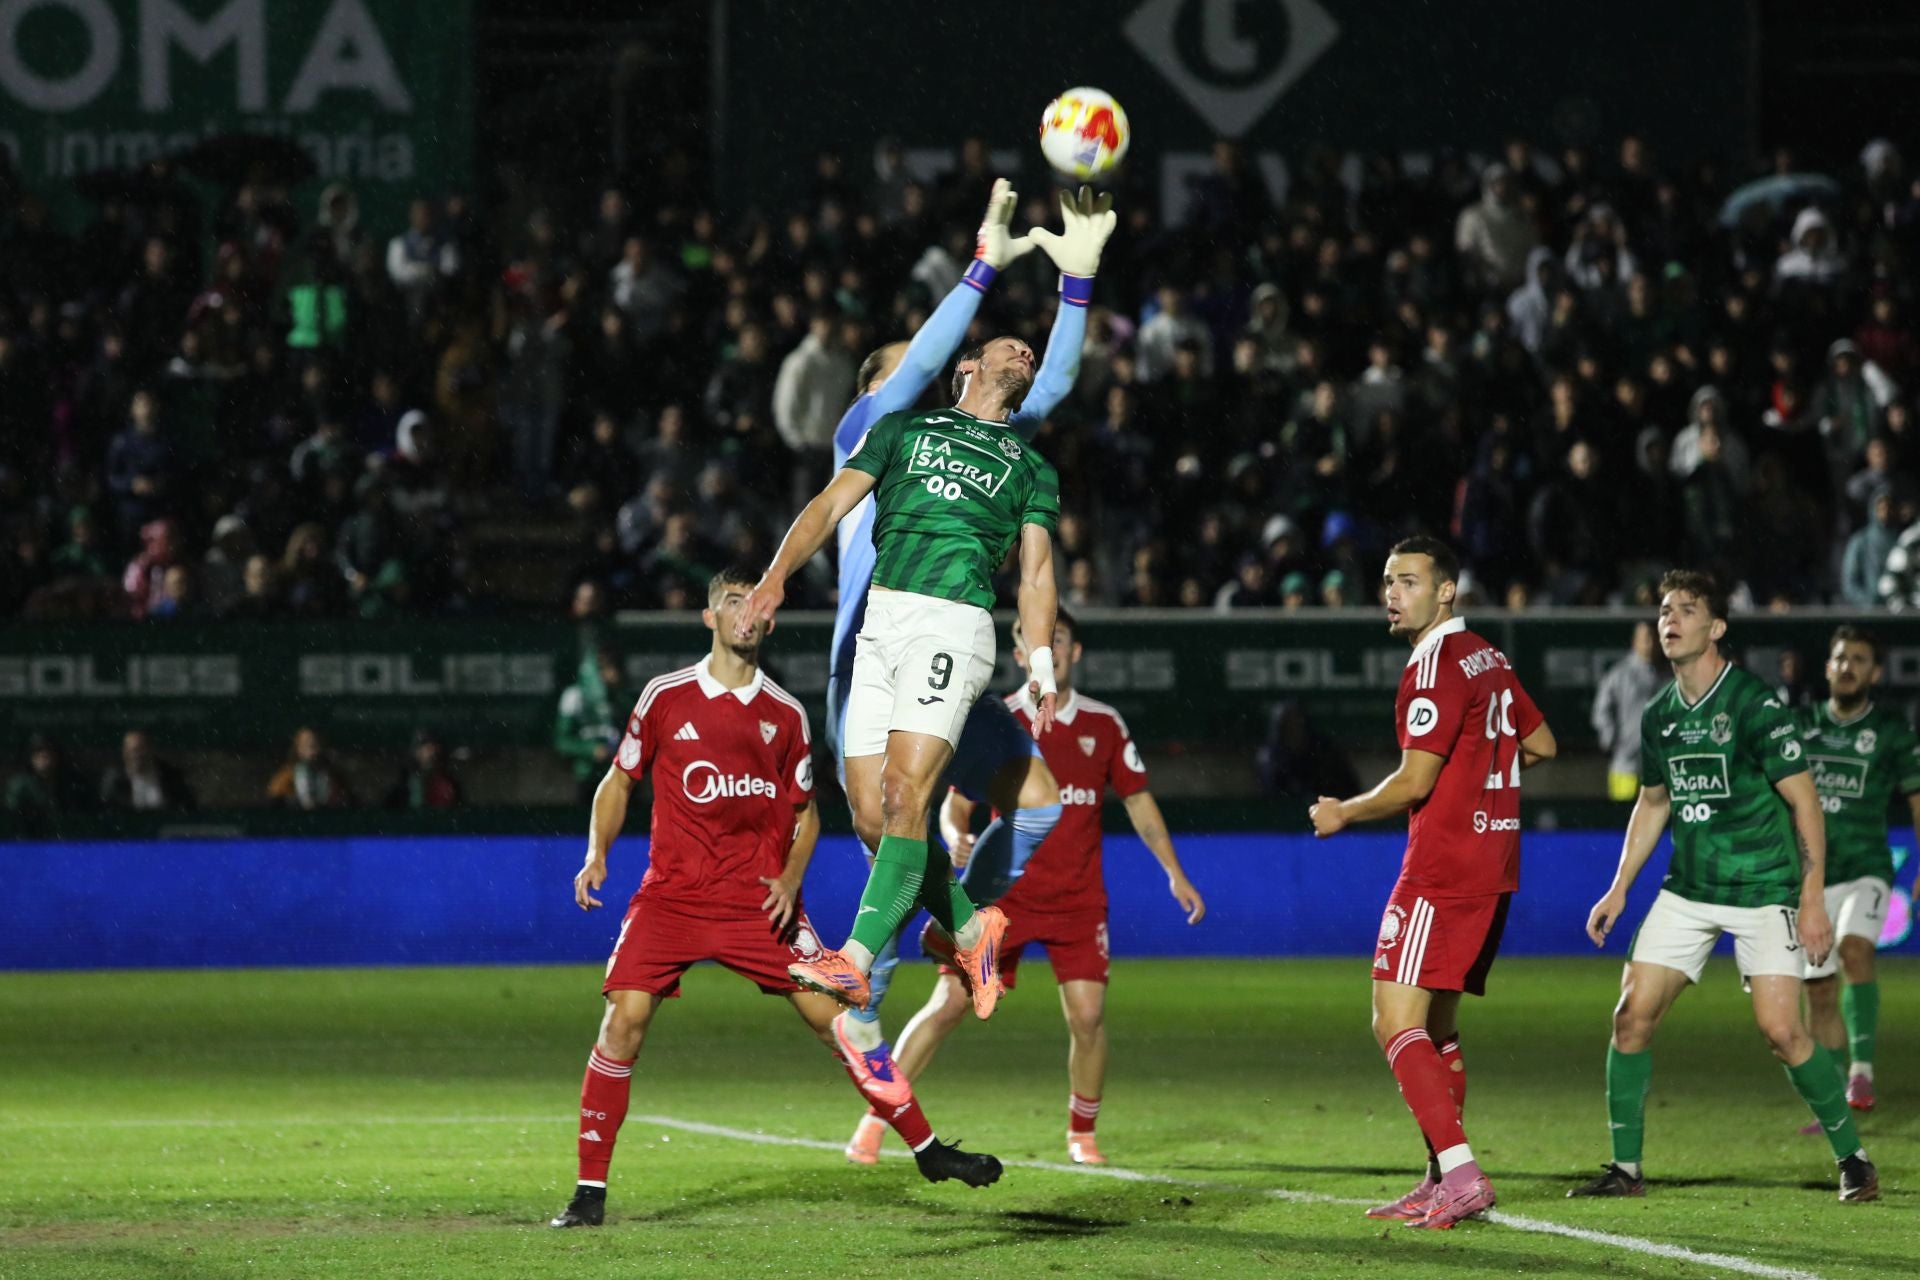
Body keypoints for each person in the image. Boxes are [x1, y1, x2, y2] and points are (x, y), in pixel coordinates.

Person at [739, 182, 1112, 1021]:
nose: (920, 366)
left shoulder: (1009, 454)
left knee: (985, 800)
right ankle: (969, 928)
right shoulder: (879, 427)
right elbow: (901, 399)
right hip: (869, 643)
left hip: (949, 628)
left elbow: (1049, 388)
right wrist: (981, 269)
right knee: (879, 821)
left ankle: (862, 972)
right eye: (907, 363)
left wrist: (1076, 282)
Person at [550, 567, 1001, 1229]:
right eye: (734, 602)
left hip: (760, 905)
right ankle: (589, 1192)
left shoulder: (785, 713)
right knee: (623, 1021)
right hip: (672, 899)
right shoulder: (665, 697)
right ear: (710, 618)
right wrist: (597, 854)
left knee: (846, 1023)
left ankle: (928, 1150)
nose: (747, 613)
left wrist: (790, 878)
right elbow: (619, 781)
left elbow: (805, 813)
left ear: (770, 620)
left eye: (757, 604)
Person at [845, 607, 1205, 1166]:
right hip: (1002, 901)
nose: (1050, 649)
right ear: (1019, 655)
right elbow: (954, 805)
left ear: (1074, 652)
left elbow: (1138, 800)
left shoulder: (1104, 724)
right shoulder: (996, 720)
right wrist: (956, 837)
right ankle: (876, 1120)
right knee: (947, 1006)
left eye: (1058, 640)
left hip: (1077, 902)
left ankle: (1082, 1134)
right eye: (1039, 640)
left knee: (1087, 1016)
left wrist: (1174, 872)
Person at [1572, 570, 1877, 1203]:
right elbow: (1654, 803)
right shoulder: (1660, 715)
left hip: (1765, 888)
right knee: (1630, 1018)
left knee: (1782, 1032)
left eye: (1687, 610)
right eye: (1665, 610)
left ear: (1716, 628)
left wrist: (1811, 898)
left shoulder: (1753, 704)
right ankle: (1626, 1168)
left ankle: (1853, 1158)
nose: (1670, 619)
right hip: (1689, 889)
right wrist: (1619, 887)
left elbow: (1805, 801)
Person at [1309, 536, 1556, 1230]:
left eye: (1409, 581)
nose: (1392, 593)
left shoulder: (1437, 664)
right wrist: (1482, 777)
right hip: (1493, 864)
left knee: (1394, 1020)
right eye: (1388, 581)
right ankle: (1440, 1177)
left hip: (1444, 869)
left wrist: (1343, 811)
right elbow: (1541, 745)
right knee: (1437, 1028)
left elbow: (1415, 780)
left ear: (1447, 590)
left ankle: (1463, 1174)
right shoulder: (1487, 656)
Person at [1796, 627, 1920, 1118]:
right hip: (1810, 878)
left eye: (1859, 659)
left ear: (1876, 672)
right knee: (1819, 989)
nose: (1848, 666)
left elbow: (1917, 798)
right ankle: (1832, 1104)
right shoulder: (1799, 726)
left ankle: (1861, 1070)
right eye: (1841, 658)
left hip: (1867, 866)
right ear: (1827, 667)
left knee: (1854, 949)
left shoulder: (1891, 732)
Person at [1591, 621, 1663, 802]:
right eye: (1645, 638)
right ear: (1635, 641)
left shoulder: (1668, 674)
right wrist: (1610, 739)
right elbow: (1601, 710)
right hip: (1625, 764)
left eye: (1653, 638)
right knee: (1622, 815)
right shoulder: (1619, 674)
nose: (1650, 643)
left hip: (1657, 766)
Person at [555, 648, 626, 807]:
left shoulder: (621, 698)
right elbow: (561, 741)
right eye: (608, 669)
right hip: (585, 777)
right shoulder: (574, 696)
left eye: (615, 669)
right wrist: (591, 750)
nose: (613, 675)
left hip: (618, 776)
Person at [99, 728, 196, 812]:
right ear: (124, 752)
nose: (135, 755)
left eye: (140, 749)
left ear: (151, 749)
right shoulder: (114, 780)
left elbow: (187, 807)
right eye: (130, 750)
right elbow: (107, 811)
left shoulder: (172, 777)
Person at [266, 726, 354, 809]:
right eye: (306, 744)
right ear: (298, 748)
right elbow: (274, 800)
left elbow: (347, 799)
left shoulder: (333, 775)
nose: (312, 749)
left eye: (315, 744)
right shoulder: (286, 776)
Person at [384, 727, 462, 810]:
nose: (433, 753)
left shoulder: (448, 785)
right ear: (417, 752)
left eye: (435, 749)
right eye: (428, 749)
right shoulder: (402, 786)